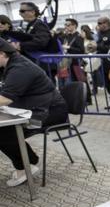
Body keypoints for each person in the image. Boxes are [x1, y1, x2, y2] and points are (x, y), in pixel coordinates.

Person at [0, 38, 68, 186]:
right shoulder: (11, 64)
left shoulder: (20, 68)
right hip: (34, 109)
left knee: (4, 131)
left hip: (50, 113)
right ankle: (28, 161)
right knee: (5, 130)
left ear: (2, 54)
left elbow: (5, 98)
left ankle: (26, 166)